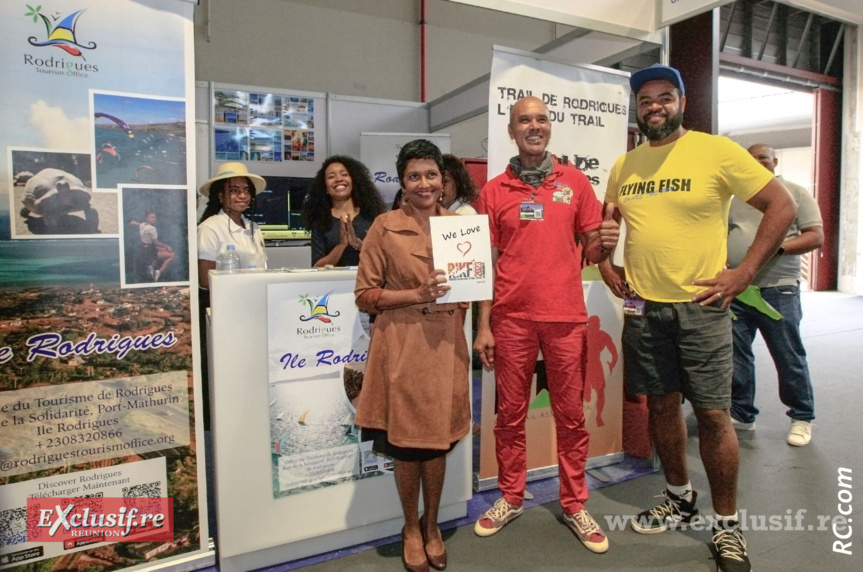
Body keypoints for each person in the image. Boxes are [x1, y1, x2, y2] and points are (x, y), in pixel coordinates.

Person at [600, 64, 797, 572]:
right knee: (662, 408)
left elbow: (782, 203)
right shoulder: (625, 166)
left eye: (665, 97)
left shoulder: (716, 151)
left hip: (704, 308)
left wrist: (745, 273)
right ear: (636, 108)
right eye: (645, 100)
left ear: (682, 102)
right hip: (644, 310)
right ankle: (678, 494)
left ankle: (727, 526)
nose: (655, 106)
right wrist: (605, 262)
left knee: (713, 416)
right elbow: (606, 224)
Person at [472, 95, 619, 554]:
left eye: (540, 119)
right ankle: (512, 495)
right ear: (511, 131)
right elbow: (484, 265)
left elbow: (592, 251)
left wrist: (605, 242)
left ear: (549, 127)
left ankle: (575, 502)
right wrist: (483, 326)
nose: (533, 126)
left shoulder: (575, 183)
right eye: (524, 121)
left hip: (565, 317)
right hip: (510, 318)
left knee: (571, 416)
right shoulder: (493, 192)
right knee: (509, 416)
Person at [354, 139, 471, 572]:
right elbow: (364, 296)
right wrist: (415, 294)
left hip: (446, 346)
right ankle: (409, 527)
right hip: (400, 345)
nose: (424, 183)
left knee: (438, 441)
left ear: (444, 181)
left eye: (431, 175)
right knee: (405, 445)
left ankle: (433, 525)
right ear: (402, 183)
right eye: (414, 176)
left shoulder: (462, 227)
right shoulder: (384, 227)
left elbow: (476, 286)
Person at [728, 143, 823, 446]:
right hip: (738, 291)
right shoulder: (735, 198)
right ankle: (742, 414)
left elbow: (815, 235)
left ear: (775, 161)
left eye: (763, 159)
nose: (756, 163)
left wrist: (775, 248)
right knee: (737, 356)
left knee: (787, 355)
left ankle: (802, 417)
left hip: (778, 289)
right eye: (750, 159)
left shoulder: (794, 192)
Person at [197, 162, 267, 430]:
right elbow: (206, 278)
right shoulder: (211, 227)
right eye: (234, 190)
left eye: (246, 190)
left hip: (254, 315)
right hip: (225, 316)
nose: (242, 196)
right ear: (220, 195)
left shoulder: (253, 228)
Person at [303, 155, 385, 267]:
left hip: (369, 282)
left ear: (354, 181)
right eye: (331, 176)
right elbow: (317, 266)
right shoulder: (320, 221)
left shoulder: (372, 216)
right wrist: (341, 246)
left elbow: (384, 258)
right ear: (325, 188)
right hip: (334, 283)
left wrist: (357, 243)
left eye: (344, 174)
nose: (339, 179)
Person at [131, 211, 175, 282]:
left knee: (163, 250)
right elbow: (156, 242)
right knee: (172, 254)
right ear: (147, 218)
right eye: (152, 217)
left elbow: (138, 224)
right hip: (150, 250)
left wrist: (133, 222)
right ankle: (158, 272)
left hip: (144, 248)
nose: (154, 219)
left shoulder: (143, 225)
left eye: (155, 217)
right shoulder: (152, 229)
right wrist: (167, 246)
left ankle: (151, 266)